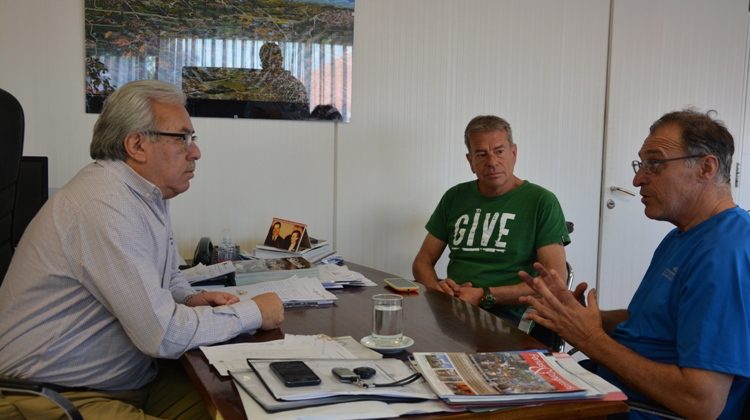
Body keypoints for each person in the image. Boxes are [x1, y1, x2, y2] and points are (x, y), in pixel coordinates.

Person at [0, 80, 285, 419]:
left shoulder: (144, 195)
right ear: (136, 144)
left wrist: (188, 298)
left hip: (129, 381)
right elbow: (163, 334)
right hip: (56, 395)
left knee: (249, 404)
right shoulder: (103, 205)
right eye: (183, 138)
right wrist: (254, 312)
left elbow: (165, 274)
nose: (195, 152)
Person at [519, 109, 750, 419]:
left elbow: (702, 402)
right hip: (615, 386)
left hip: (642, 409)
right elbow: (653, 320)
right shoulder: (682, 236)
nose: (637, 178)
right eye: (640, 164)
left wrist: (590, 338)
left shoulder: (724, 253)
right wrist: (581, 317)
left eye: (654, 164)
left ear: (706, 168)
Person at [412, 115, 570, 335]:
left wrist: (484, 295)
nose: (492, 162)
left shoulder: (542, 202)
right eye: (481, 154)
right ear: (470, 161)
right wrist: (438, 291)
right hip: (454, 310)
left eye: (499, 151)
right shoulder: (454, 197)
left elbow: (554, 283)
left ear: (514, 153)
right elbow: (422, 261)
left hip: (511, 318)